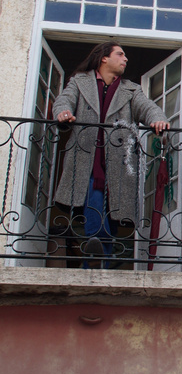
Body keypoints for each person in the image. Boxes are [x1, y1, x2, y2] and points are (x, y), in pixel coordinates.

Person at [53, 41, 169, 265]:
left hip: (119, 163)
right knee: (95, 202)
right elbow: (64, 101)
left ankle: (96, 260)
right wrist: (63, 113)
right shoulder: (79, 81)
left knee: (113, 214)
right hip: (85, 160)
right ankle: (98, 250)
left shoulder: (131, 89)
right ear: (104, 58)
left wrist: (158, 119)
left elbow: (147, 107)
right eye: (120, 54)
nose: (125, 59)